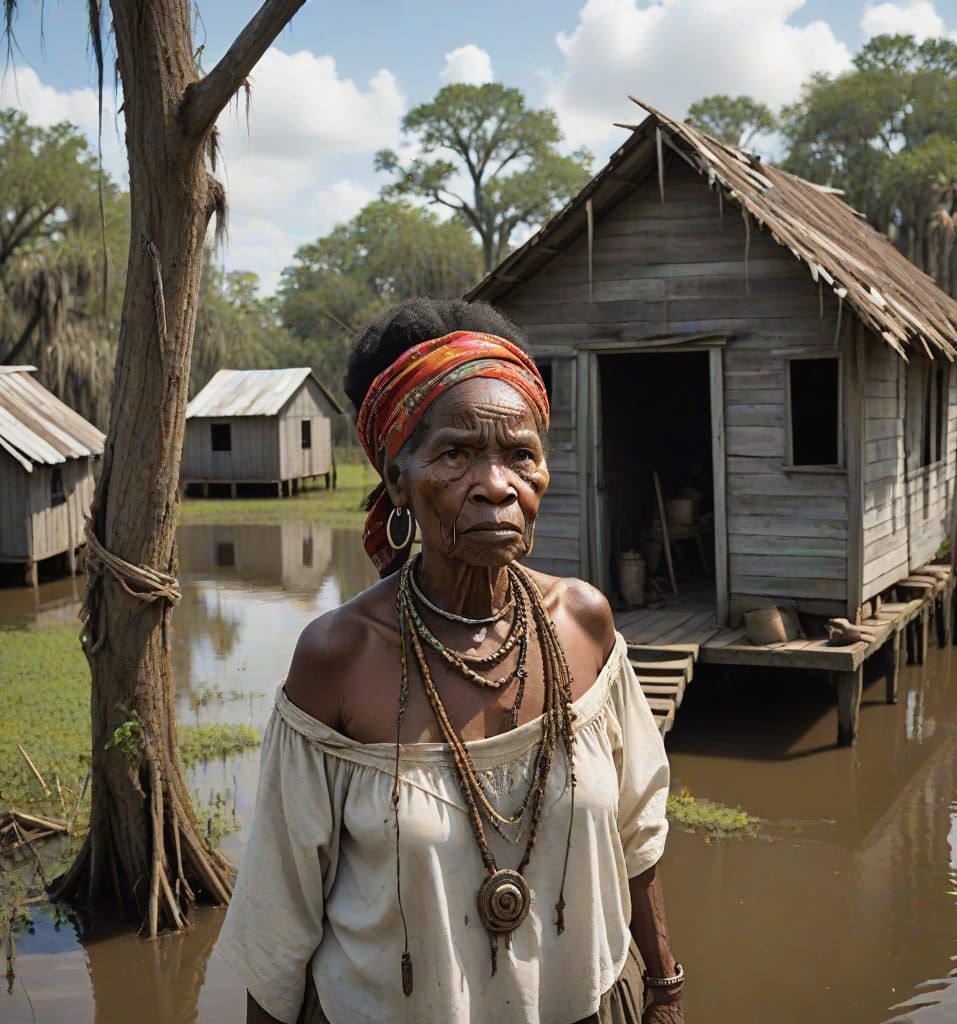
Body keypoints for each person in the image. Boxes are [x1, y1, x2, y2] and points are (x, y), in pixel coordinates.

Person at [215, 298, 685, 1024]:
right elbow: (281, 914)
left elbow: (637, 831)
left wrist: (665, 991)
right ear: (397, 482)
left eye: (520, 455)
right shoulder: (338, 660)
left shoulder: (584, 626)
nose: (497, 484)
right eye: (456, 454)